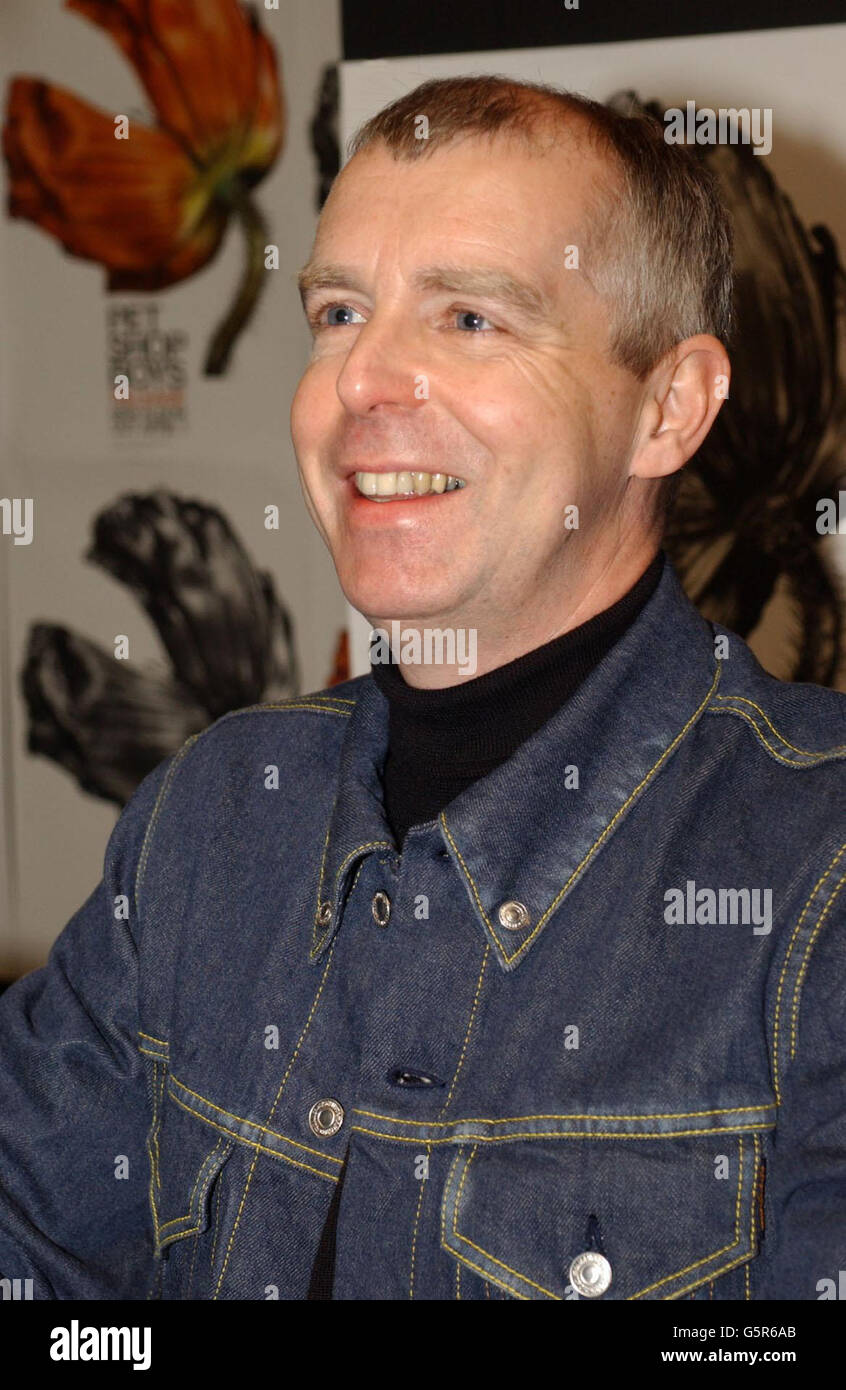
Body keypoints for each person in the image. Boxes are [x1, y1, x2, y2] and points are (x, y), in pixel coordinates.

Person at [1, 75, 844, 1302]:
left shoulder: (814, 874)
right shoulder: (216, 812)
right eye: (340, 311)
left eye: (468, 320)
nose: (359, 381)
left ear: (668, 408)